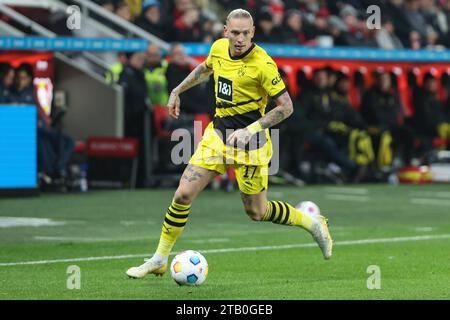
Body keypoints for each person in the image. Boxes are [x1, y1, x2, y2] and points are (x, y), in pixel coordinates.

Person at [126, 8, 332, 279]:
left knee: (257, 212)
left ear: (252, 33)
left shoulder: (263, 64)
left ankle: (311, 222)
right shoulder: (219, 48)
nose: (239, 39)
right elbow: (204, 68)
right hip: (218, 136)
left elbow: (286, 107)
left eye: (245, 33)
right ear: (225, 31)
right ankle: (159, 258)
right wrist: (178, 90)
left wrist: (251, 129)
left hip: (251, 143)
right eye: (234, 32)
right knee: (183, 194)